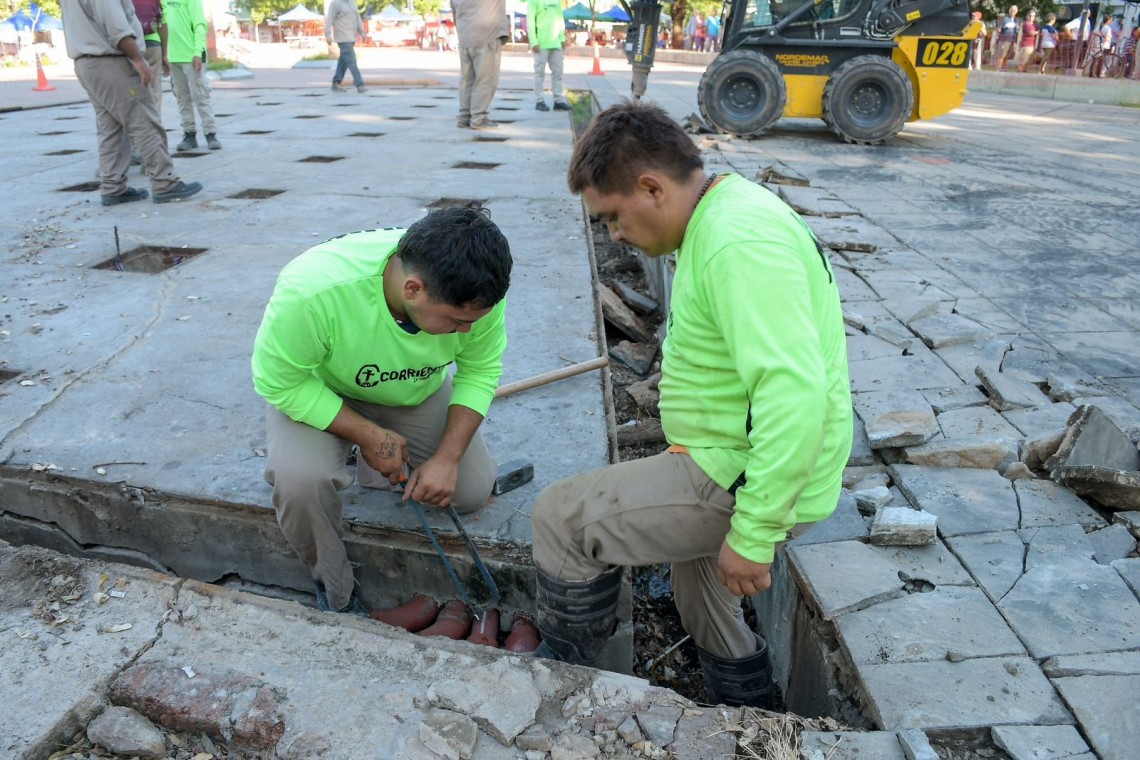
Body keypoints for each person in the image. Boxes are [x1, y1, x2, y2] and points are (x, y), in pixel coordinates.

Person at [530, 102, 852, 708]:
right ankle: (753, 718)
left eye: (614, 218)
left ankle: (567, 696)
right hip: (746, 462)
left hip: (742, 473)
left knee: (559, 519)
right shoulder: (725, 215)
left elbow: (794, 393)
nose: (615, 236)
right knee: (702, 594)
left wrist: (753, 533)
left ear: (652, 188)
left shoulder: (737, 242)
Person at [251, 207, 513, 614]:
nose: (466, 331)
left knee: (469, 489)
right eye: (457, 322)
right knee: (302, 481)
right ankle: (334, 587)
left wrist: (447, 457)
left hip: (414, 388)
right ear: (413, 290)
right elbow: (279, 381)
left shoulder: (477, 293)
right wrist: (371, 436)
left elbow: (480, 371)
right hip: (322, 391)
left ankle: (378, 462)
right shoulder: (313, 290)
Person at [61, 0, 202, 206]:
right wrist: (138, 58)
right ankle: (165, 181)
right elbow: (116, 26)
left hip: (88, 62)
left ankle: (113, 187)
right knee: (143, 121)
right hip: (111, 62)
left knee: (110, 127)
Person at [164, 0, 220, 150]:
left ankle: (210, 133)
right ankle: (189, 134)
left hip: (191, 57)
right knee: (182, 98)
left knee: (200, 96)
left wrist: (197, 53)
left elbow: (200, 25)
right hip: (172, 58)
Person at [453, 0, 509, 130]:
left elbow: (454, 11)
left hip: (465, 36)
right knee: (485, 79)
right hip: (487, 35)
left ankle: (465, 117)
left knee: (467, 80)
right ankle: (479, 118)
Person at [527, 0, 569, 112]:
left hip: (556, 43)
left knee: (558, 72)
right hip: (541, 44)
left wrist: (562, 38)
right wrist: (533, 41)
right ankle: (539, 101)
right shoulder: (532, 2)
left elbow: (560, 19)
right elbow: (530, 21)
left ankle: (558, 101)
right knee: (539, 73)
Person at [325, 0, 367, 93]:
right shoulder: (335, 4)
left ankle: (336, 83)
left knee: (343, 61)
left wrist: (362, 32)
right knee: (352, 60)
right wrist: (328, 35)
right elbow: (329, 19)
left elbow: (357, 18)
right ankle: (359, 84)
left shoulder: (352, 3)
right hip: (342, 37)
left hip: (352, 37)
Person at [993, 5, 1020, 71]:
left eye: (1014, 10)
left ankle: (1003, 68)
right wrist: (1005, 27)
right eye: (1011, 10)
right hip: (1004, 39)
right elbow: (999, 29)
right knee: (1002, 54)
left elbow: (1017, 30)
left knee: (1007, 55)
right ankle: (999, 67)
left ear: (1016, 12)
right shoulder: (1005, 19)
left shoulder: (1016, 20)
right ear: (1009, 10)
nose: (1012, 12)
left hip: (1012, 39)